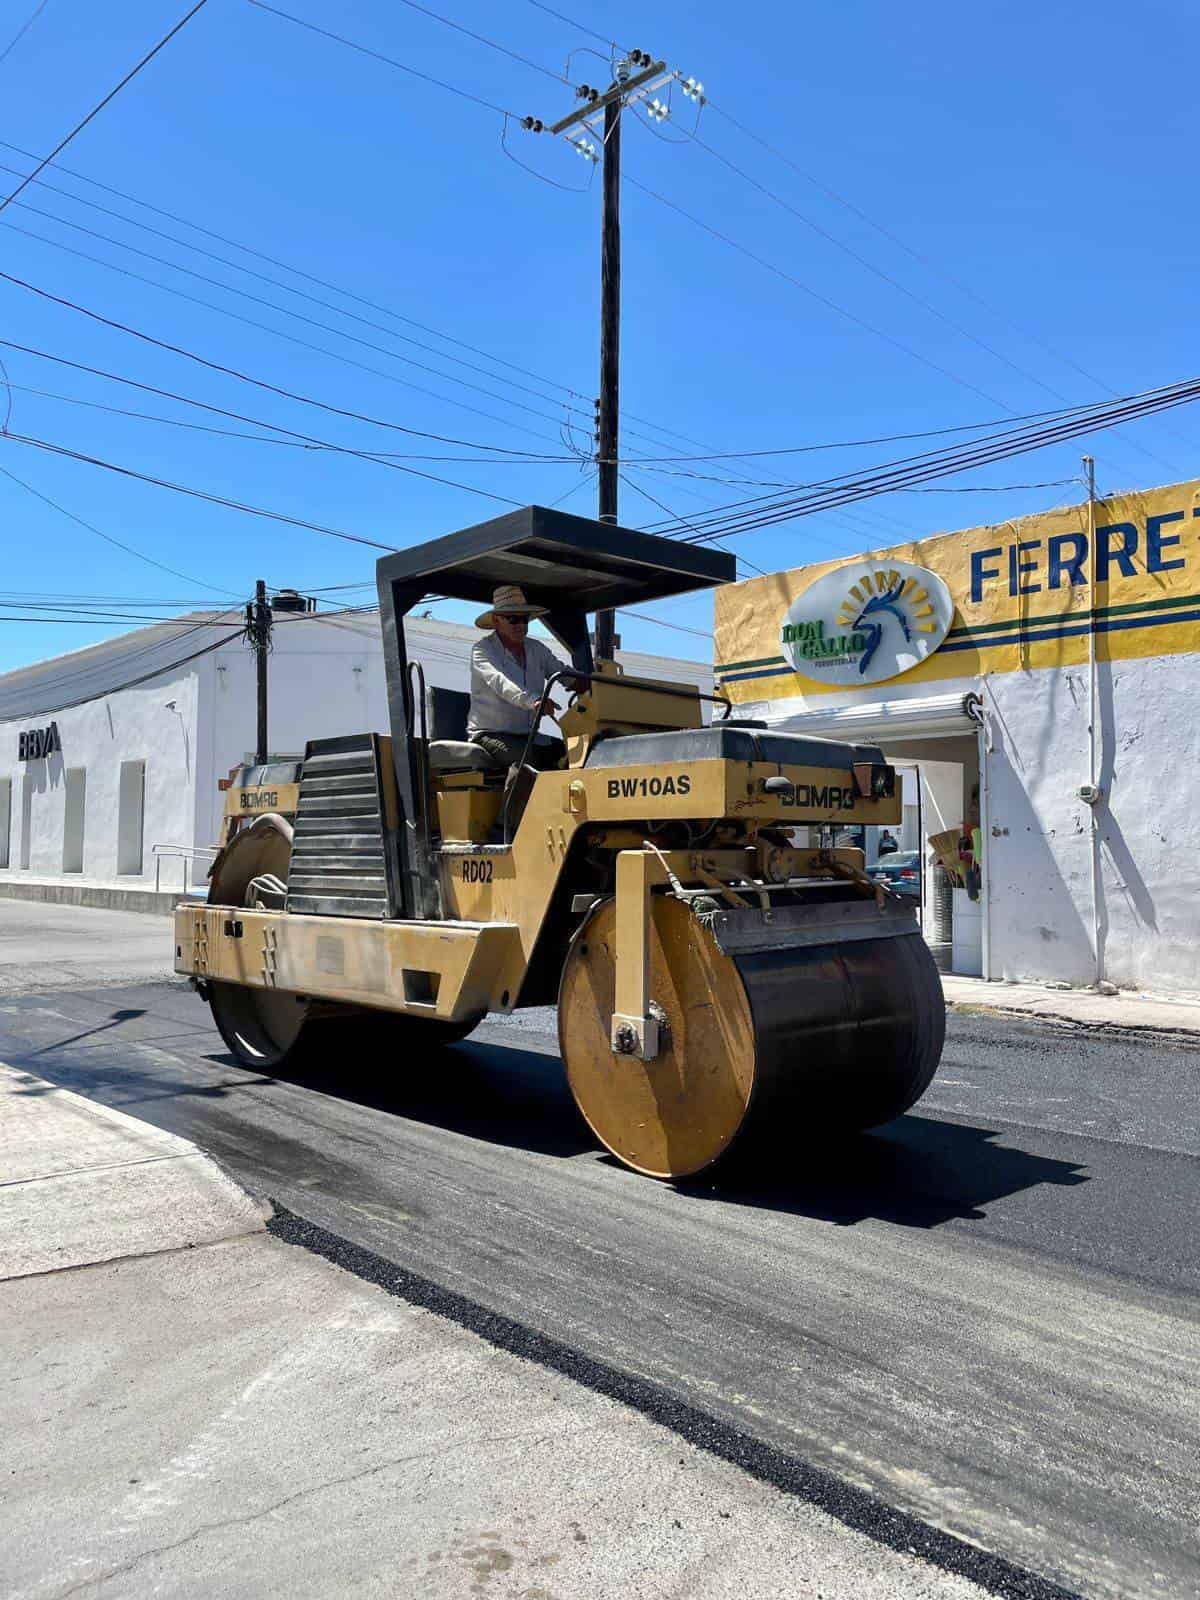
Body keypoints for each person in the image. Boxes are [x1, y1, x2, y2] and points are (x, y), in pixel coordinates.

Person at [468, 585, 569, 779]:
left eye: (524, 619)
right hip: (489, 734)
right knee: (527, 760)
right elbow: (501, 682)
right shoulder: (482, 650)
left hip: (527, 737)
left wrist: (588, 683)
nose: (520, 625)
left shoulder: (536, 649)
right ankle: (514, 810)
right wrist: (534, 701)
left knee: (568, 753)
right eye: (513, 619)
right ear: (497, 621)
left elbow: (561, 671)